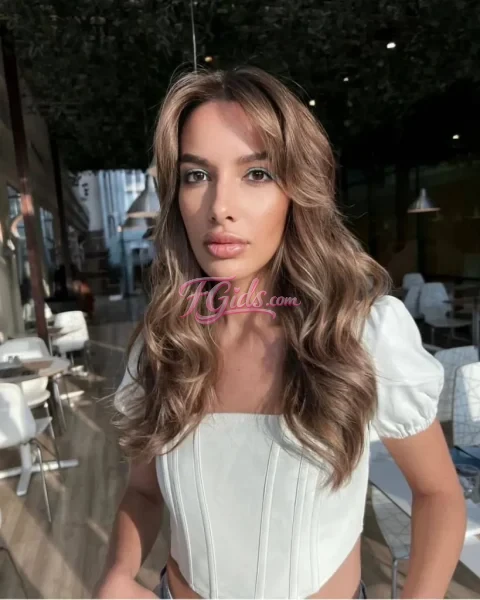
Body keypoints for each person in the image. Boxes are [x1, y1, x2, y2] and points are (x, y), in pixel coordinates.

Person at [94, 67, 466, 600]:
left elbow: (438, 495)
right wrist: (117, 572)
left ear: (297, 189)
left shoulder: (359, 335)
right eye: (196, 175)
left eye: (257, 173)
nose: (220, 207)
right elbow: (143, 492)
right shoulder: (164, 345)